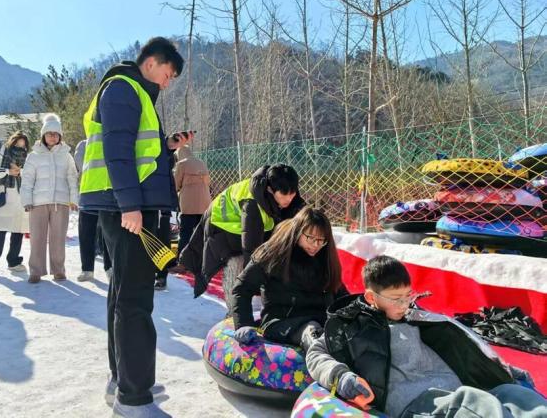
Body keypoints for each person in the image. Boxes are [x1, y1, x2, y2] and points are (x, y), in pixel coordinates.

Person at [78, 37, 189, 416]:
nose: (167, 82)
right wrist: (130, 205)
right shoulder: (125, 88)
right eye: (168, 73)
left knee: (123, 293)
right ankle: (134, 394)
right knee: (135, 299)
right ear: (152, 63)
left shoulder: (131, 91)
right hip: (127, 207)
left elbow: (137, 148)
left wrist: (167, 145)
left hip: (125, 204)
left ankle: (124, 379)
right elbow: (117, 150)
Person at [306, 255, 546, 418]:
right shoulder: (350, 325)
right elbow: (317, 353)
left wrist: (503, 369)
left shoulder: (414, 315)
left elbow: (464, 344)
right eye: (396, 298)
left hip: (455, 386)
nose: (404, 304)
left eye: (408, 296)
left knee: (517, 396)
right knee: (474, 405)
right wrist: (344, 378)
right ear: (371, 297)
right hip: (416, 400)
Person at [179, 163, 304, 305]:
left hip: (241, 225)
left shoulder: (284, 192)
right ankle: (234, 310)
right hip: (220, 224)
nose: (289, 199)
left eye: (292, 194)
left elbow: (298, 212)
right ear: (270, 189)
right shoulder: (252, 205)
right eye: (284, 195)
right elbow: (251, 247)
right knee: (238, 263)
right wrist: (252, 286)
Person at [230, 207, 347, 352]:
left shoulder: (324, 258)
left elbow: (341, 296)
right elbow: (242, 288)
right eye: (311, 238)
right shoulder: (273, 254)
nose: (316, 245)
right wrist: (243, 324)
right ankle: (331, 369)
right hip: (281, 322)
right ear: (298, 232)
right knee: (312, 331)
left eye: (322, 241)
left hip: (321, 320)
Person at [20, 114, 78, 283]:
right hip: (38, 203)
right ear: (43, 135)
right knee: (37, 237)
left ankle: (58, 270)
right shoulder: (33, 156)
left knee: (58, 238)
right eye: (49, 133)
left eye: (56, 133)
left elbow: (72, 179)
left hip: (61, 202)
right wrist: (26, 200)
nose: (52, 136)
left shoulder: (66, 156)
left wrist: (74, 199)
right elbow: (27, 180)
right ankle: (36, 271)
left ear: (60, 136)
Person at [0, 131, 30, 274]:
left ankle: (13, 262)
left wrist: (21, 172)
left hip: (20, 200)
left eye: (23, 145)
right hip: (4, 199)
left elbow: (32, 175)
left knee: (18, 231)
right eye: (17, 144)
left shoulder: (27, 158)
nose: (20, 148)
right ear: (11, 142)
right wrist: (7, 171)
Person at [73, 138, 111, 282]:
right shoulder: (83, 144)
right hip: (88, 193)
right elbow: (82, 164)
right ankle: (87, 269)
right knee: (86, 234)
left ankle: (110, 267)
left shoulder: (111, 140)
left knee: (108, 234)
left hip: (107, 194)